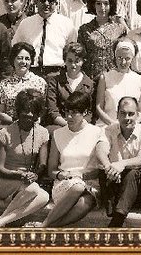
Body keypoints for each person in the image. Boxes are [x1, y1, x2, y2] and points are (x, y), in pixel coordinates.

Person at [0, 90, 50, 228]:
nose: (28, 117)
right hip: (5, 179)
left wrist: (36, 174)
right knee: (34, 190)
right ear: (17, 112)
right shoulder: (5, 133)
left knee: (44, 197)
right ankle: (7, 209)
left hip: (27, 181)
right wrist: (20, 175)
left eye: (32, 114)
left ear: (38, 115)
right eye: (24, 114)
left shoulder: (43, 133)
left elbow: (42, 164)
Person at [95, 96, 141, 227]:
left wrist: (121, 164)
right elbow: (101, 150)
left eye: (131, 114)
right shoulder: (108, 130)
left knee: (132, 174)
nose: (126, 118)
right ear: (117, 114)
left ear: (138, 115)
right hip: (116, 179)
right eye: (123, 113)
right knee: (103, 170)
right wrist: (109, 167)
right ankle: (116, 207)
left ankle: (117, 221)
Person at [41, 91, 101, 227]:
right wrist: (62, 175)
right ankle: (45, 225)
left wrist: (80, 175)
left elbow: (99, 169)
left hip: (89, 182)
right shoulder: (58, 134)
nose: (68, 117)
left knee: (86, 201)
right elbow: (51, 170)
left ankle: (47, 226)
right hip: (64, 184)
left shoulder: (97, 132)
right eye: (67, 112)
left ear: (85, 112)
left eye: (74, 113)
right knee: (77, 187)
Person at [12, 0, 77, 77]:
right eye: (42, 0)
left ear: (56, 2)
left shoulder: (67, 24)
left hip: (57, 74)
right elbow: (15, 48)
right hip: (31, 74)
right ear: (36, 1)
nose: (46, 4)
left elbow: (73, 52)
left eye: (50, 0)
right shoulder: (26, 23)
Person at [0, 42, 47, 131]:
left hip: (32, 127)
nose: (23, 62)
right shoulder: (4, 84)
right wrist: (17, 123)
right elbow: (0, 113)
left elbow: (41, 112)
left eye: (27, 59)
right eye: (20, 58)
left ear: (31, 61)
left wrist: (31, 124)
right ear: (13, 60)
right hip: (8, 125)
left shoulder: (40, 82)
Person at [77, 0, 128, 79]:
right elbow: (80, 56)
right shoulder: (85, 29)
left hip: (114, 78)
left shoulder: (119, 29)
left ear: (111, 5)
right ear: (93, 5)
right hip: (91, 78)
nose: (102, 7)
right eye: (98, 3)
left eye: (106, 3)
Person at [44, 42, 95, 133]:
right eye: (70, 61)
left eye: (77, 61)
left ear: (82, 61)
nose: (73, 65)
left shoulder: (89, 84)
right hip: (60, 125)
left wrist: (78, 126)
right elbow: (53, 111)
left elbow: (90, 112)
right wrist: (68, 126)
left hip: (81, 126)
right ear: (65, 61)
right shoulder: (55, 81)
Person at [95, 39, 141, 126]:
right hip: (107, 125)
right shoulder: (105, 77)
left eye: (127, 58)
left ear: (133, 58)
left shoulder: (140, 80)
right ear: (115, 56)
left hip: (132, 127)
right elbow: (99, 108)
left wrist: (130, 126)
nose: (123, 62)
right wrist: (114, 125)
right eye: (120, 58)